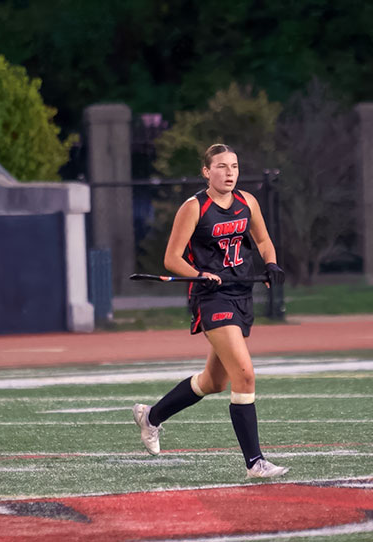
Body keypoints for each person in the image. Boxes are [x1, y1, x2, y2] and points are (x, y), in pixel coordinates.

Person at [132, 143, 289, 479]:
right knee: (244, 373)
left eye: (234, 166)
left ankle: (151, 417)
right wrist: (199, 273)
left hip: (241, 295)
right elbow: (172, 259)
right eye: (220, 166)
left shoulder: (248, 202)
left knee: (213, 381)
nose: (229, 172)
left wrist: (272, 263)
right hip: (212, 298)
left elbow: (262, 241)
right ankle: (255, 462)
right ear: (206, 171)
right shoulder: (194, 207)